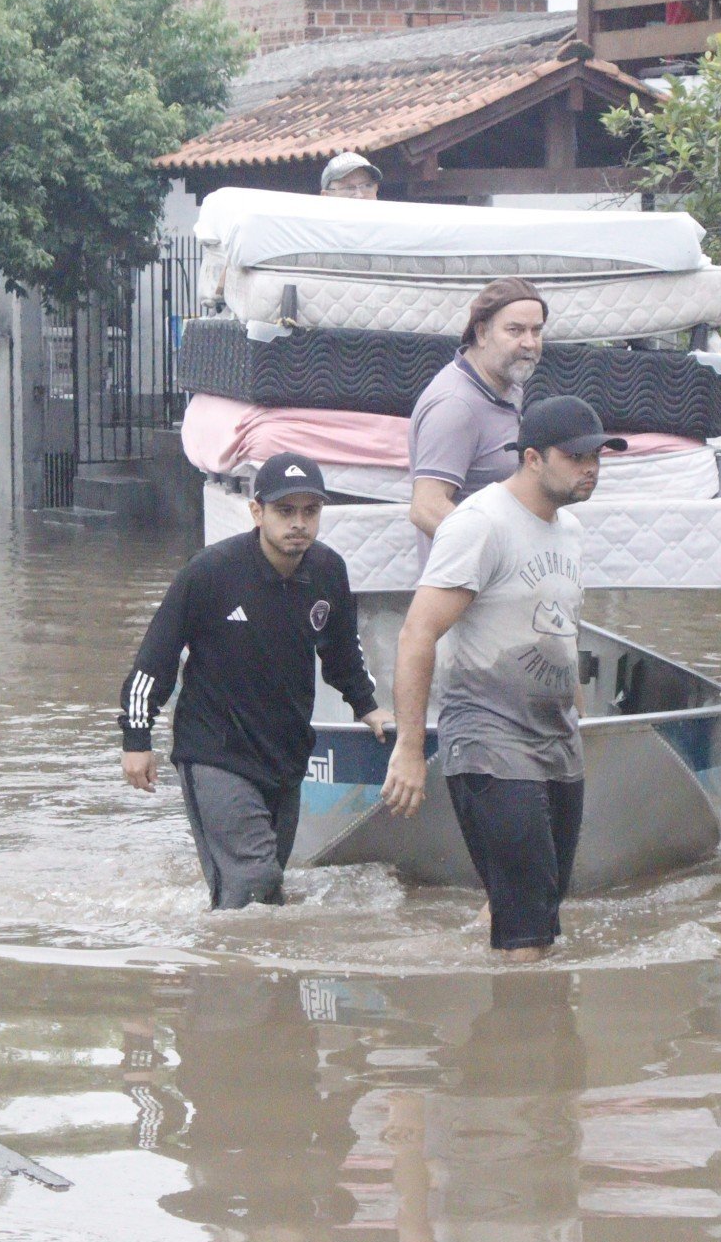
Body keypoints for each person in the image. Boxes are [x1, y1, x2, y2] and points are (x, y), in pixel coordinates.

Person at [381, 397, 624, 960]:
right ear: (533, 458)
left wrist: (577, 702)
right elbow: (418, 634)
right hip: (489, 740)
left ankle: (487, 962)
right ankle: (522, 1038)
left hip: (556, 739)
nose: (591, 467)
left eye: (599, 455)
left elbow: (560, 623)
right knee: (531, 938)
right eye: (577, 456)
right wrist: (411, 748)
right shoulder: (480, 524)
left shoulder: (572, 531)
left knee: (544, 907)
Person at [121, 452, 393, 909]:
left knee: (265, 895)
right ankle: (232, 971)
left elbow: (343, 651)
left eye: (310, 511)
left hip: (285, 756)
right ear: (257, 511)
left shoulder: (328, 572)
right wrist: (136, 737)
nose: (298, 524)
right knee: (253, 880)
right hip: (215, 752)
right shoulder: (211, 572)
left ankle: (240, 974)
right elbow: (155, 660)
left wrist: (368, 707)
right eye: (285, 511)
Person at [408, 278, 547, 565]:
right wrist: (502, 554)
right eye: (515, 330)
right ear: (482, 333)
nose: (529, 343)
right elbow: (426, 507)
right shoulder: (456, 406)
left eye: (537, 330)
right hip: (466, 591)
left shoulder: (507, 382)